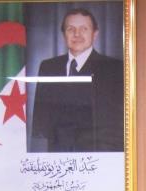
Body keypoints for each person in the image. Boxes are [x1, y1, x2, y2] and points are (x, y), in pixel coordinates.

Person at [30, 8, 124, 152]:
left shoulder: (113, 69)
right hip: (58, 155)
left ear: (95, 34)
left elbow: (116, 125)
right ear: (63, 34)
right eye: (70, 29)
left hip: (98, 154)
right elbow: (40, 123)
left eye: (84, 29)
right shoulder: (48, 67)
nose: (77, 34)